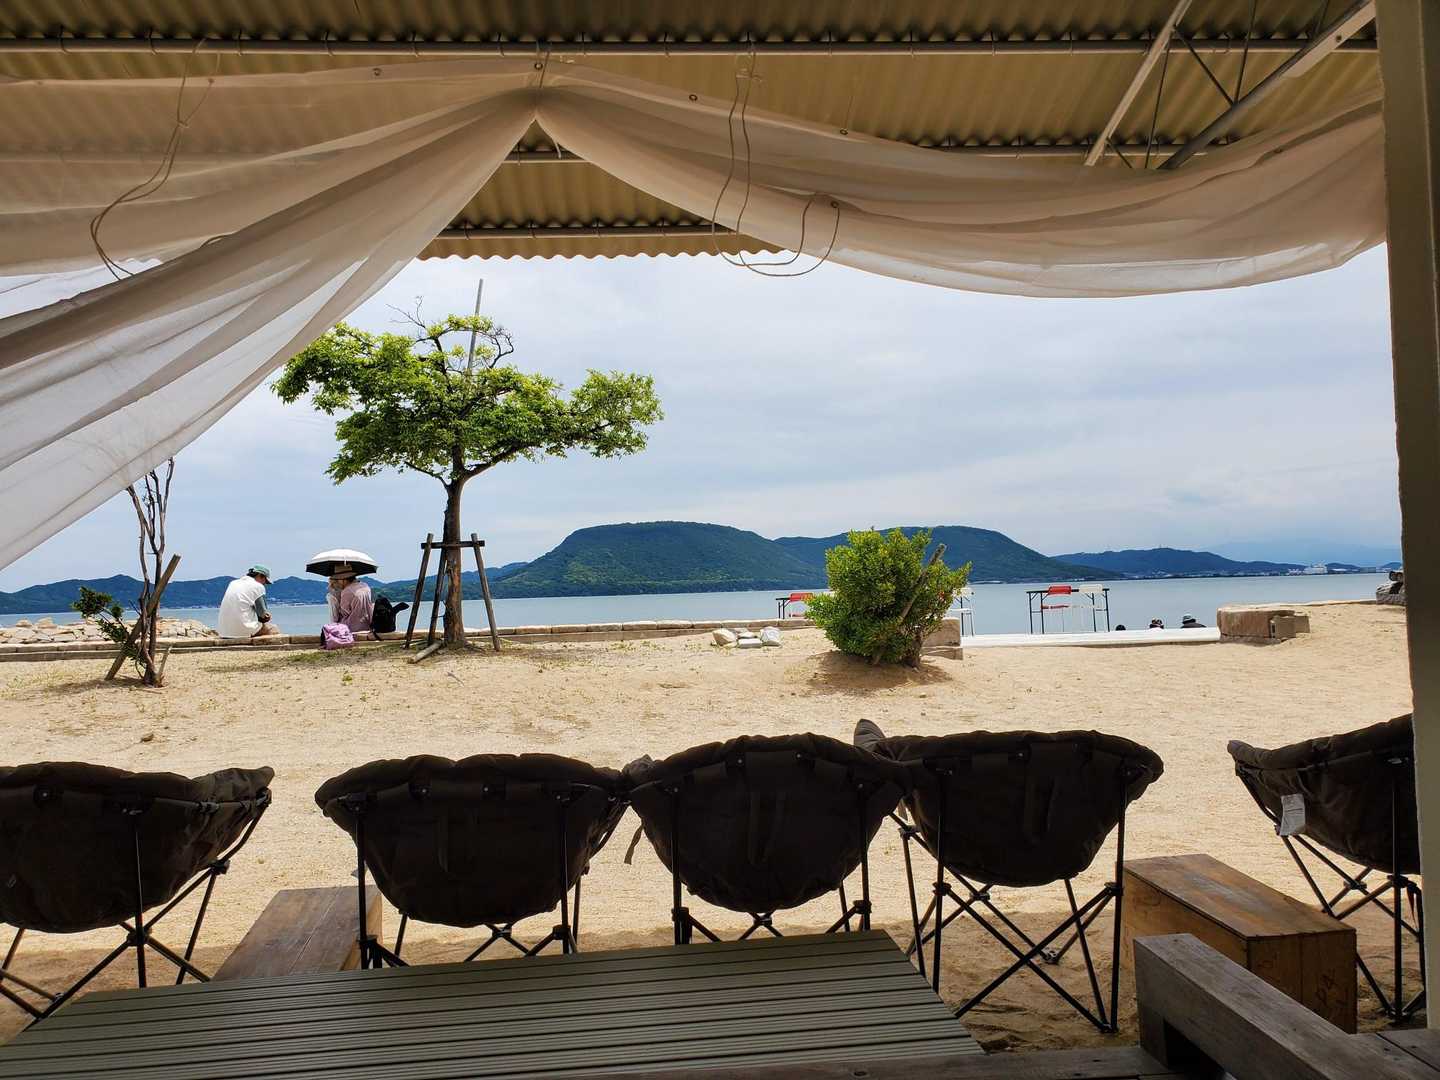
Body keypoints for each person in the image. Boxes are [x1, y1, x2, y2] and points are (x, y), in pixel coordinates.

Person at [218, 565, 280, 639]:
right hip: (243, 631)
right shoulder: (258, 586)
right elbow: (262, 614)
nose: (264, 584)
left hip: (224, 632)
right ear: (260, 576)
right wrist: (267, 617)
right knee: (274, 629)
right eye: (265, 581)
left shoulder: (233, 583)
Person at [327, 566, 374, 636]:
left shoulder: (347, 591)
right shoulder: (365, 586)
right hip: (367, 626)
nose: (338, 582)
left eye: (338, 579)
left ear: (343, 579)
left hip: (351, 629)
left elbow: (344, 613)